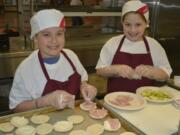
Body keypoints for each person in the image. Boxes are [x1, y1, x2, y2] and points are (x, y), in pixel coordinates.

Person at [9, 9, 97, 112]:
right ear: (35, 38)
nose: (54, 40)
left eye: (59, 34)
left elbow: (82, 80)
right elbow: (16, 108)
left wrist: (85, 87)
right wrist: (44, 101)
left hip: (74, 118)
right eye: (46, 35)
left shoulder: (71, 56)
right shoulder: (26, 68)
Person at [96, 0, 172, 93]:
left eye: (138, 24)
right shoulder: (113, 43)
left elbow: (166, 75)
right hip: (116, 101)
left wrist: (152, 71)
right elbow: (99, 71)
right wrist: (115, 69)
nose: (132, 30)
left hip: (146, 101)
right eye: (128, 24)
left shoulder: (154, 46)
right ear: (122, 23)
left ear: (146, 23)